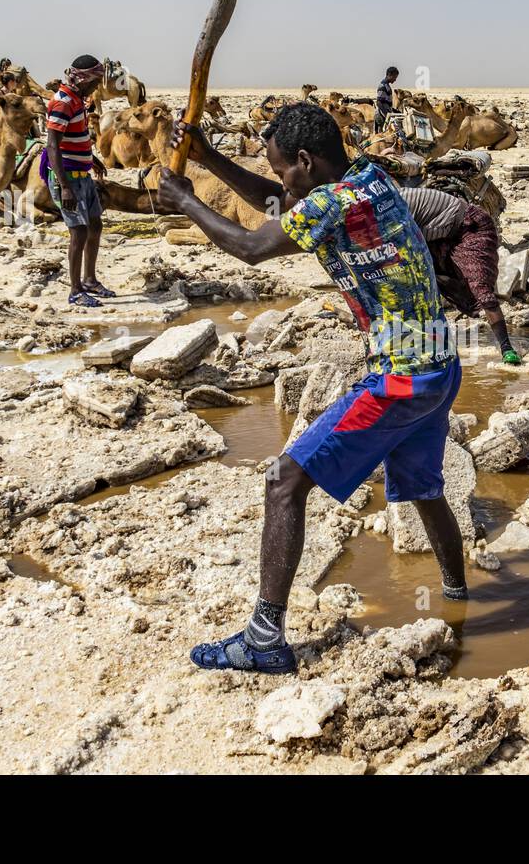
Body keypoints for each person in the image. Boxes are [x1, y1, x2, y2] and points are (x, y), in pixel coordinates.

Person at [156, 102, 467, 674]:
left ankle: (264, 639)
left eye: (281, 170)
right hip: (440, 368)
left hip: (400, 380)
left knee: (282, 483)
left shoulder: (328, 203)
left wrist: (187, 201)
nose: (280, 182)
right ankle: (458, 597)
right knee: (423, 489)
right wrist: (211, 159)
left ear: (305, 161)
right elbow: (282, 206)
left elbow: (252, 246)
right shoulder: (368, 179)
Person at [399, 187, 521, 363]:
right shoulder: (386, 208)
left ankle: (506, 348)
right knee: (430, 278)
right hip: (439, 237)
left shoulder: (395, 208)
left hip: (470, 228)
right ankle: (432, 341)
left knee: (479, 286)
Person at [42, 55, 111, 307]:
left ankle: (90, 280)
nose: (96, 87)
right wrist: (64, 187)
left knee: (95, 225)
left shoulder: (77, 100)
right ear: (83, 79)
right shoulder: (61, 103)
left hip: (82, 174)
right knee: (79, 232)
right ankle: (75, 290)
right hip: (68, 178)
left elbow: (76, 135)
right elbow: (52, 145)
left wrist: (90, 157)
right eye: (94, 81)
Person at [375, 66, 399, 133]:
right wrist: (387, 114)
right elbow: (379, 102)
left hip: (385, 114)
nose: (395, 80)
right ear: (389, 75)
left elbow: (386, 102)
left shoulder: (387, 86)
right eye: (395, 77)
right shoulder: (383, 86)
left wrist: (394, 111)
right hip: (381, 115)